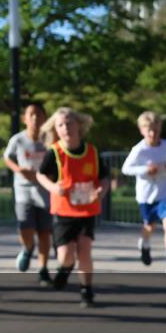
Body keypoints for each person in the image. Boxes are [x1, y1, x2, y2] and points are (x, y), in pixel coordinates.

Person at [36, 107, 108, 307]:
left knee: (85, 250)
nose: (65, 128)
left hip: (87, 210)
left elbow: (104, 177)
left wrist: (101, 191)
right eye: (60, 125)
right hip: (64, 212)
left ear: (79, 126)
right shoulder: (54, 153)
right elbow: (41, 175)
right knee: (66, 256)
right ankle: (65, 269)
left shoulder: (92, 152)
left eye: (69, 123)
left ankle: (86, 291)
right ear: (56, 129)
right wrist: (53, 187)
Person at [122, 111, 166, 275]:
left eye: (155, 130)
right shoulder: (139, 150)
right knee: (149, 226)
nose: (152, 133)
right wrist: (145, 169)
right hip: (146, 195)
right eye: (148, 130)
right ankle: (145, 243)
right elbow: (126, 169)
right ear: (142, 130)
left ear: (160, 128)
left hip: (164, 192)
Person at [3, 102, 53, 286]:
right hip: (23, 190)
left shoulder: (49, 140)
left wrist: (50, 175)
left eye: (39, 114)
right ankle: (27, 247)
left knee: (44, 232)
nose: (35, 118)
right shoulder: (18, 140)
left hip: (45, 190)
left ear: (45, 118)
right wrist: (19, 170)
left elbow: (57, 160)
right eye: (31, 114)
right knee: (25, 227)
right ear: (24, 118)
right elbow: (7, 158)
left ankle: (43, 269)